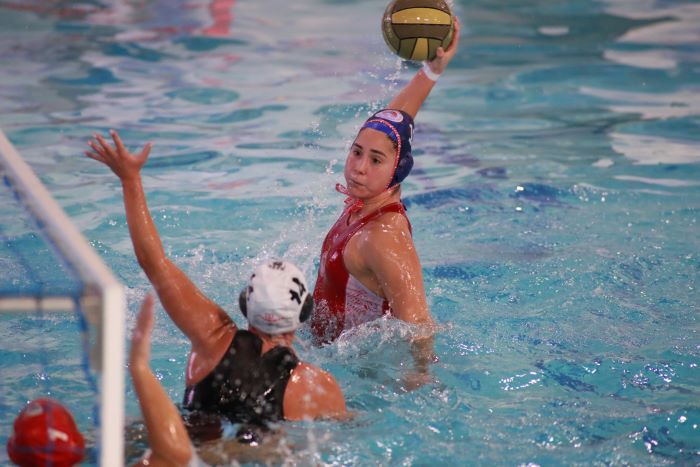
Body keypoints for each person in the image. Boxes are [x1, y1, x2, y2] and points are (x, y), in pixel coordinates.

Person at [84, 134, 347, 425]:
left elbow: (153, 262)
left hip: (184, 443)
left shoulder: (213, 338)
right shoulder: (317, 387)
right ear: (304, 312)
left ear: (245, 304)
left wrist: (130, 179)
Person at [311, 18, 462, 378]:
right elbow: (398, 121)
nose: (359, 168)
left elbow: (419, 326)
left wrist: (420, 381)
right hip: (324, 354)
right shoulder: (365, 203)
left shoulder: (383, 236)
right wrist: (432, 71)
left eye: (375, 160)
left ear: (399, 169)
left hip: (355, 374)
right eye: (356, 152)